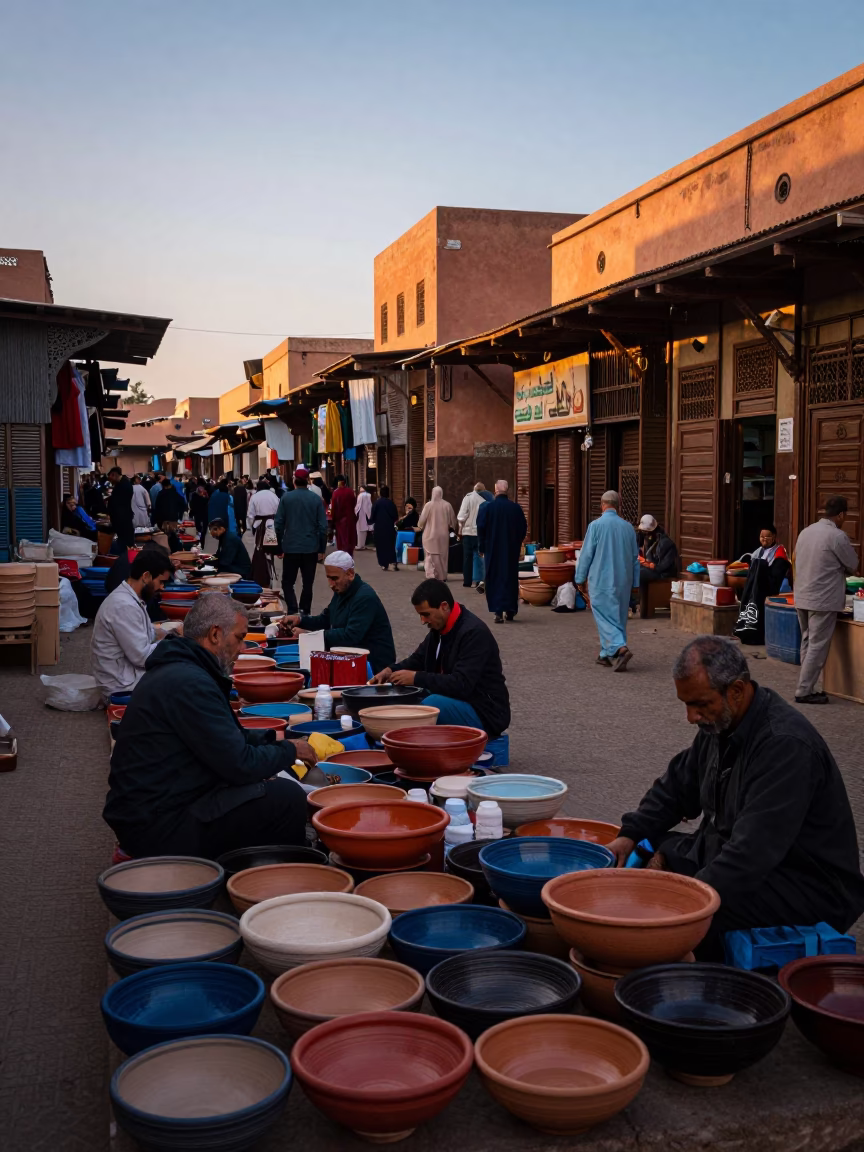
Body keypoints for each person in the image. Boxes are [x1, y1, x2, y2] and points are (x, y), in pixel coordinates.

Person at [605, 636, 864, 958]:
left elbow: (750, 855)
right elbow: (674, 789)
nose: (691, 717)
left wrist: (685, 900)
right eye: (686, 704)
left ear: (737, 691)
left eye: (700, 704)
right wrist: (630, 835)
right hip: (739, 854)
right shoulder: (720, 726)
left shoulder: (785, 746)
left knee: (675, 924)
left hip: (805, 884)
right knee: (649, 854)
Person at [102, 594, 319, 859]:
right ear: (215, 634)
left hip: (153, 810)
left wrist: (273, 742)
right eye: (239, 638)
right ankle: (271, 883)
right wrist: (288, 751)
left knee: (267, 778)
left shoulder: (182, 669)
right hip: (156, 827)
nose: (242, 648)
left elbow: (226, 740)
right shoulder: (190, 683)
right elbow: (240, 765)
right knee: (286, 798)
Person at [370, 578, 510, 737]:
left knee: (430, 706)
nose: (423, 621)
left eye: (426, 614)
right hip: (459, 700)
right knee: (402, 695)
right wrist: (390, 671)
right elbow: (418, 659)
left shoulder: (474, 633)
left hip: (486, 713)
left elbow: (461, 684)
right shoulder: (441, 626)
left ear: (444, 606)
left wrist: (417, 678)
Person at [281, 550, 396, 673]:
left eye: (335, 578)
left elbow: (350, 636)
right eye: (329, 578)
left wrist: (310, 636)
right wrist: (300, 620)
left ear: (350, 574)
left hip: (374, 665)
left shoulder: (365, 597)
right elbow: (325, 619)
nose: (331, 584)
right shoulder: (342, 589)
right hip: (351, 658)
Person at [792, 495, 859, 704]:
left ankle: (807, 685)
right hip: (822, 598)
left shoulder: (805, 532)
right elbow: (853, 564)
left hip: (801, 595)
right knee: (817, 645)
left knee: (807, 640)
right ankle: (804, 691)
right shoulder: (837, 536)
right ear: (840, 515)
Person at [91, 550, 174, 700]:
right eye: (160, 581)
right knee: (184, 679)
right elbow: (142, 657)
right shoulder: (123, 605)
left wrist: (172, 632)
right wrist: (173, 643)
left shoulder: (132, 598)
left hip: (129, 673)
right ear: (146, 576)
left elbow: (149, 632)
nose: (162, 587)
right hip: (121, 685)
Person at [574, 490, 640, 672]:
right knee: (618, 617)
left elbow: (586, 555)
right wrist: (635, 584)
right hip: (623, 580)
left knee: (603, 617)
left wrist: (580, 578)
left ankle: (620, 648)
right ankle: (605, 654)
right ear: (618, 506)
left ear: (603, 505)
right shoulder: (628, 528)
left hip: (601, 580)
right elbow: (635, 558)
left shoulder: (596, 526)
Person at [274, 464, 328, 614]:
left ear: (294, 481)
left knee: (287, 582)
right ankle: (304, 612)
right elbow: (323, 527)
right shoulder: (316, 499)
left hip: (290, 547)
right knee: (308, 583)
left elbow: (278, 525)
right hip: (311, 547)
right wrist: (322, 549)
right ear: (308, 481)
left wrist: (278, 546)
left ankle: (292, 610)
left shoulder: (286, 498)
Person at [733, 525, 792, 646]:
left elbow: (776, 576)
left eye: (767, 536)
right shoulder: (757, 552)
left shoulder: (779, 552)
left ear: (774, 537)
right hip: (755, 589)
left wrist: (761, 572)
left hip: (769, 588)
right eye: (762, 536)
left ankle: (757, 637)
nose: (764, 539)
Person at [477, 480, 527, 623]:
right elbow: (523, 528)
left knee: (494, 578)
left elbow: (481, 528)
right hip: (510, 550)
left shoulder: (487, 508)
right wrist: (517, 543)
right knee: (510, 578)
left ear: (495, 490)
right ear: (507, 490)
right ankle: (510, 609)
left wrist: (482, 547)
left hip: (492, 550)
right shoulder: (516, 508)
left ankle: (498, 611)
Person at [418, 486, 457, 580]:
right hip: (443, 536)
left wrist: (419, 526)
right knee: (443, 556)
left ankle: (431, 575)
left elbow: (421, 521)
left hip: (429, 535)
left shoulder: (428, 505)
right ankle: (442, 576)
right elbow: (453, 521)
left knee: (430, 556)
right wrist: (453, 528)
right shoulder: (447, 505)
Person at [457, 482, 488, 590]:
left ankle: (467, 581)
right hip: (480, 533)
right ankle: (479, 580)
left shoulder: (468, 497)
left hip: (468, 532)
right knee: (480, 557)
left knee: (467, 557)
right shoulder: (486, 500)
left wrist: (461, 527)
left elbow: (461, 516)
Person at [637, 514, 679, 583]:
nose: (645, 535)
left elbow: (663, 567)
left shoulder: (666, 543)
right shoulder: (651, 541)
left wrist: (650, 565)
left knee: (639, 573)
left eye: (646, 533)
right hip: (654, 570)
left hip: (664, 574)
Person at [370, 485, 400, 571]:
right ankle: (392, 562)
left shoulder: (376, 503)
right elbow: (395, 517)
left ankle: (383, 564)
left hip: (379, 528)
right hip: (389, 528)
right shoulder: (391, 503)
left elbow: (372, 517)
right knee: (390, 546)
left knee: (380, 546)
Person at [152, 477, 186, 550]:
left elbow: (157, 508)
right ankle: (175, 552)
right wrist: (180, 515)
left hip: (163, 521)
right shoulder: (175, 493)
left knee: (165, 538)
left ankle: (167, 552)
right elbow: (183, 504)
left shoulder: (160, 494)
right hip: (173, 520)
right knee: (173, 537)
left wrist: (155, 520)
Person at [107, 466, 135, 549]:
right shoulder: (122, 483)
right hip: (122, 517)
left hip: (122, 519)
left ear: (114, 475)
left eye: (110, 477)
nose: (110, 480)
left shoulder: (124, 485)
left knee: (125, 542)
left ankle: (125, 558)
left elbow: (119, 503)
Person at [329, 474, 358, 555]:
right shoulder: (350, 491)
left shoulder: (336, 493)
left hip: (340, 521)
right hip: (350, 519)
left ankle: (343, 559)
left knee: (342, 542)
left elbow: (334, 508)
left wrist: (333, 521)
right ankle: (349, 557)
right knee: (350, 540)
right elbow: (354, 503)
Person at [189, 483, 211, 547]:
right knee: (202, 529)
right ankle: (202, 541)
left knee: (201, 528)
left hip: (200, 514)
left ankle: (201, 540)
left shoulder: (195, 496)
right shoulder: (202, 498)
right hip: (202, 514)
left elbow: (192, 505)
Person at [355, 485, 372, 550]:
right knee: (364, 531)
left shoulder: (360, 496)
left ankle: (360, 545)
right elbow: (369, 505)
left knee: (360, 531)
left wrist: (355, 511)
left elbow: (358, 506)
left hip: (360, 515)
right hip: (366, 515)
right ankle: (363, 545)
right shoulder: (369, 495)